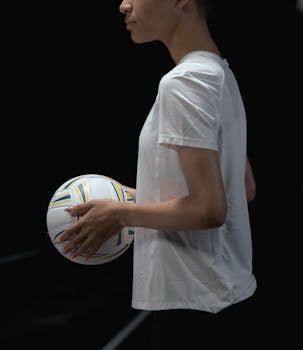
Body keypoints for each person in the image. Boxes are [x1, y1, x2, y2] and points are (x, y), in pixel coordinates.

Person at [56, 0, 257, 348]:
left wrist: (121, 214)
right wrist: (134, 196)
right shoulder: (220, 73)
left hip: (193, 310)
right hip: (227, 300)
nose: (123, 5)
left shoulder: (185, 82)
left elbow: (211, 209)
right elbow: (243, 189)